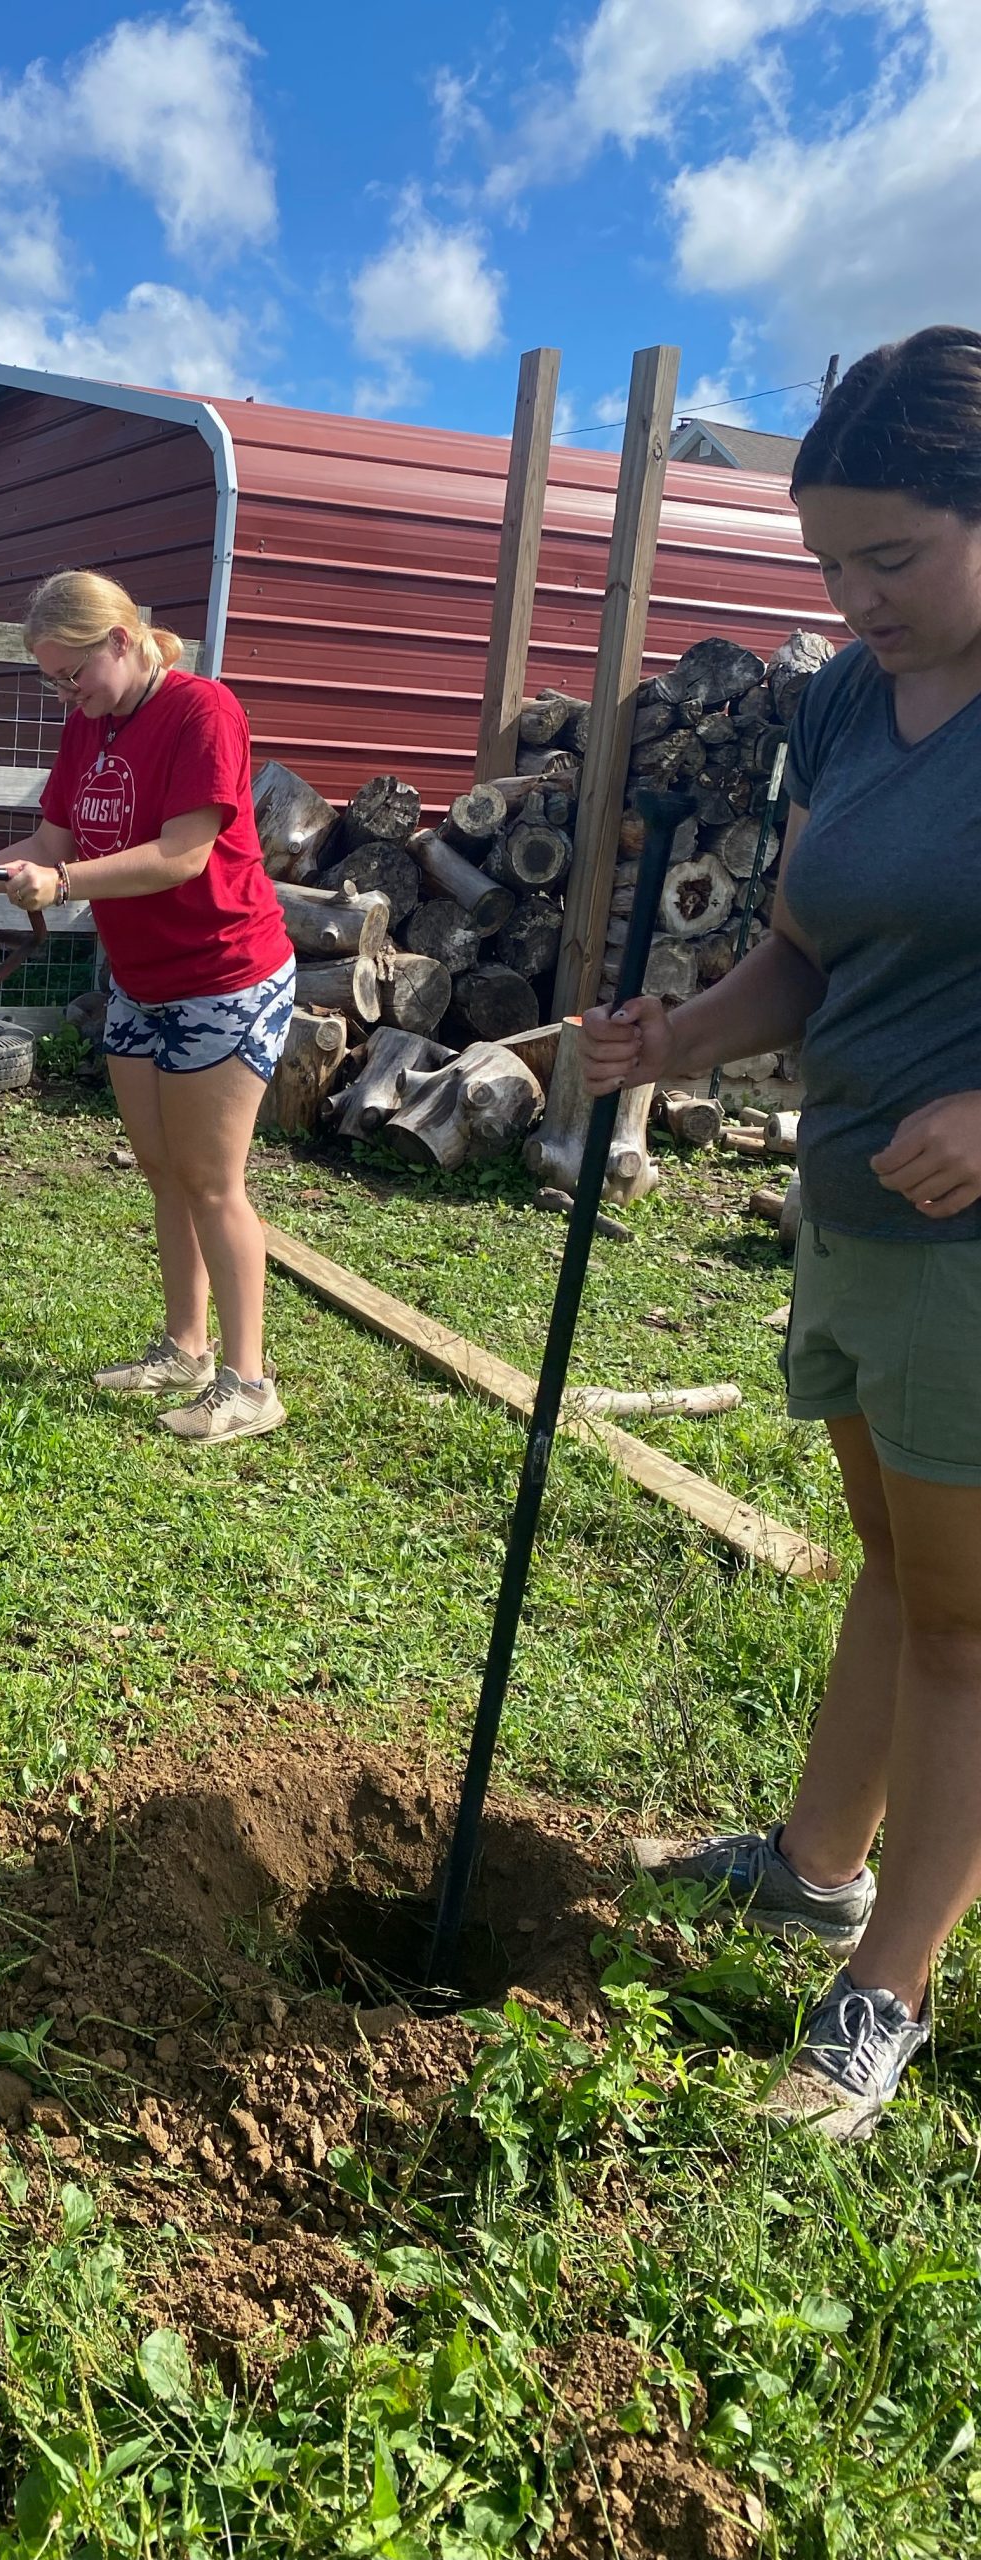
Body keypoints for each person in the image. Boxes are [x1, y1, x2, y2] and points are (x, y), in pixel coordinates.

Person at [582, 325, 981, 2139]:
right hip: (847, 1210)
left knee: (972, 1623)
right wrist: (682, 1034)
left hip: (972, 1245)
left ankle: (883, 1996)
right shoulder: (840, 702)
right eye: (832, 564)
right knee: (895, 1562)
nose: (856, 596)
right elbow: (805, 953)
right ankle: (817, 1861)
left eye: (892, 555)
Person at [0, 569, 296, 1446]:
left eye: (72, 672)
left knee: (212, 1181)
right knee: (162, 1170)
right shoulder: (86, 727)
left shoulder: (204, 712)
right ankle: (185, 1349)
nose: (67, 692)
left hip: (225, 972)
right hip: (143, 977)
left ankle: (249, 1383)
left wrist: (66, 882)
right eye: (52, 678)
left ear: (120, 640)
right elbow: (50, 842)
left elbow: (181, 856)